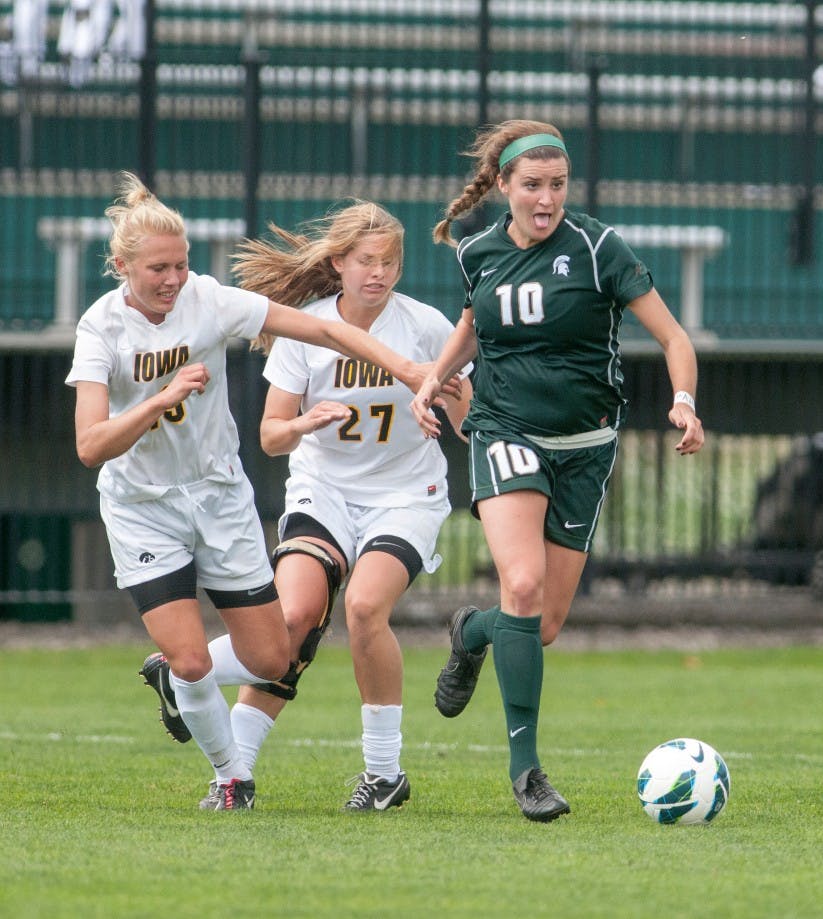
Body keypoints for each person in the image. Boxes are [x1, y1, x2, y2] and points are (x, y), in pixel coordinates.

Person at [66, 173, 437, 811]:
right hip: (141, 507)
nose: (173, 279)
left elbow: (319, 331)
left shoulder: (208, 301)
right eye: (158, 268)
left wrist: (406, 369)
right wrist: (163, 397)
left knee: (270, 655)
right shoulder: (100, 329)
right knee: (188, 661)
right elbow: (91, 445)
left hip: (218, 497)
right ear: (122, 265)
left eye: (181, 265)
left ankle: (217, 729)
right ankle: (232, 778)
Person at [410, 120, 705, 822]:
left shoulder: (599, 247)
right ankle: (527, 771)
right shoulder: (478, 251)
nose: (546, 199)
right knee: (521, 582)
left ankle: (470, 632)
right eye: (533, 185)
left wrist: (686, 402)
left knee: (536, 624)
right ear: (505, 187)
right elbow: (474, 324)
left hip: (587, 445)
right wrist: (434, 381)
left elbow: (674, 336)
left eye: (558, 185)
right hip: (506, 429)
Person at [200, 201, 471, 812]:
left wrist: (451, 398)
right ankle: (233, 778)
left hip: (405, 495)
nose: (378, 273)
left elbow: (468, 424)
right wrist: (306, 423)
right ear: (339, 263)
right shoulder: (307, 328)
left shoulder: (426, 327)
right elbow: (270, 436)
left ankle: (383, 775)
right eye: (366, 261)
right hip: (322, 490)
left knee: (366, 607)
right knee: (292, 617)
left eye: (390, 261)